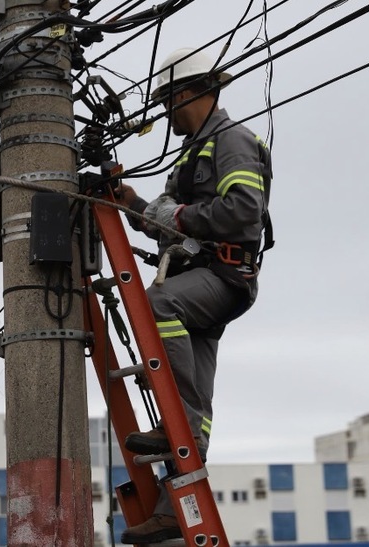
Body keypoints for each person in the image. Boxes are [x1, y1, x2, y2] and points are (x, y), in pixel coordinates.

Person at [116, 47, 273, 544]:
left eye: (168, 101)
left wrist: (178, 217)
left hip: (223, 277)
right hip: (196, 275)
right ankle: (172, 506)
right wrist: (132, 203)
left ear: (186, 92)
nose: (167, 112)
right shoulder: (191, 156)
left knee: (158, 304)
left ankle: (175, 422)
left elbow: (244, 210)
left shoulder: (232, 141)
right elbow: (171, 230)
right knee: (195, 424)